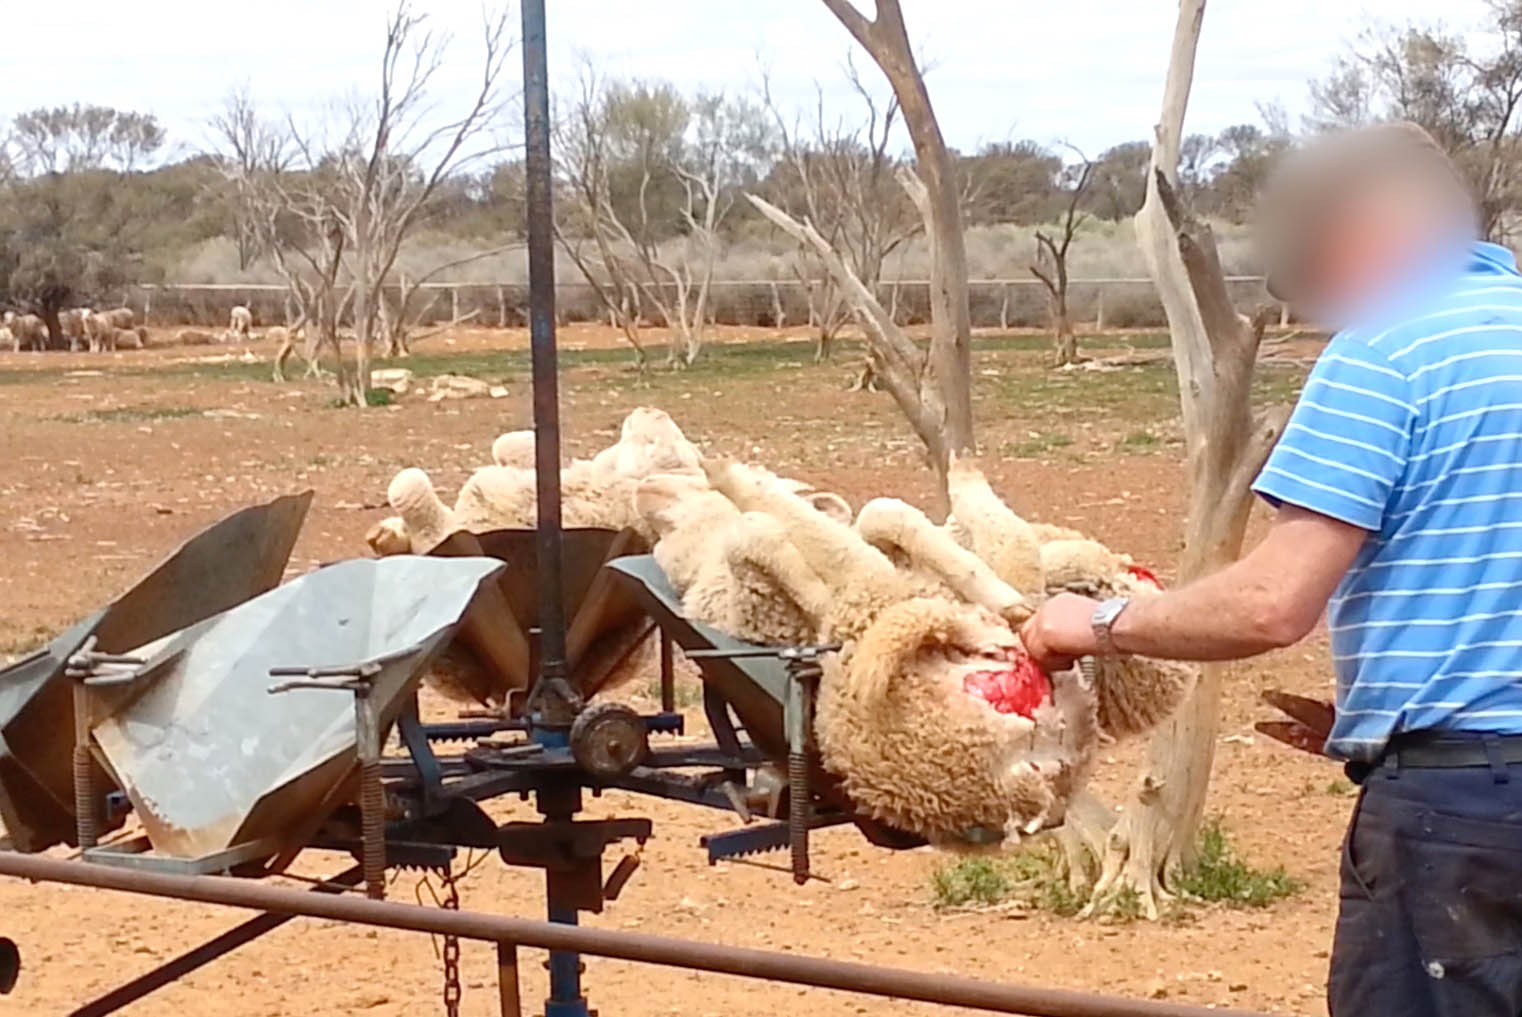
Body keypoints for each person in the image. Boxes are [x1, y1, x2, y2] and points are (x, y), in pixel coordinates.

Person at [1020, 121, 1522, 1017]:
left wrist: (1092, 625)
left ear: (1361, 233)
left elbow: (1270, 603)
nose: (1327, 310)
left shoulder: (1389, 351)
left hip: (1466, 817)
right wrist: (1389, 715)